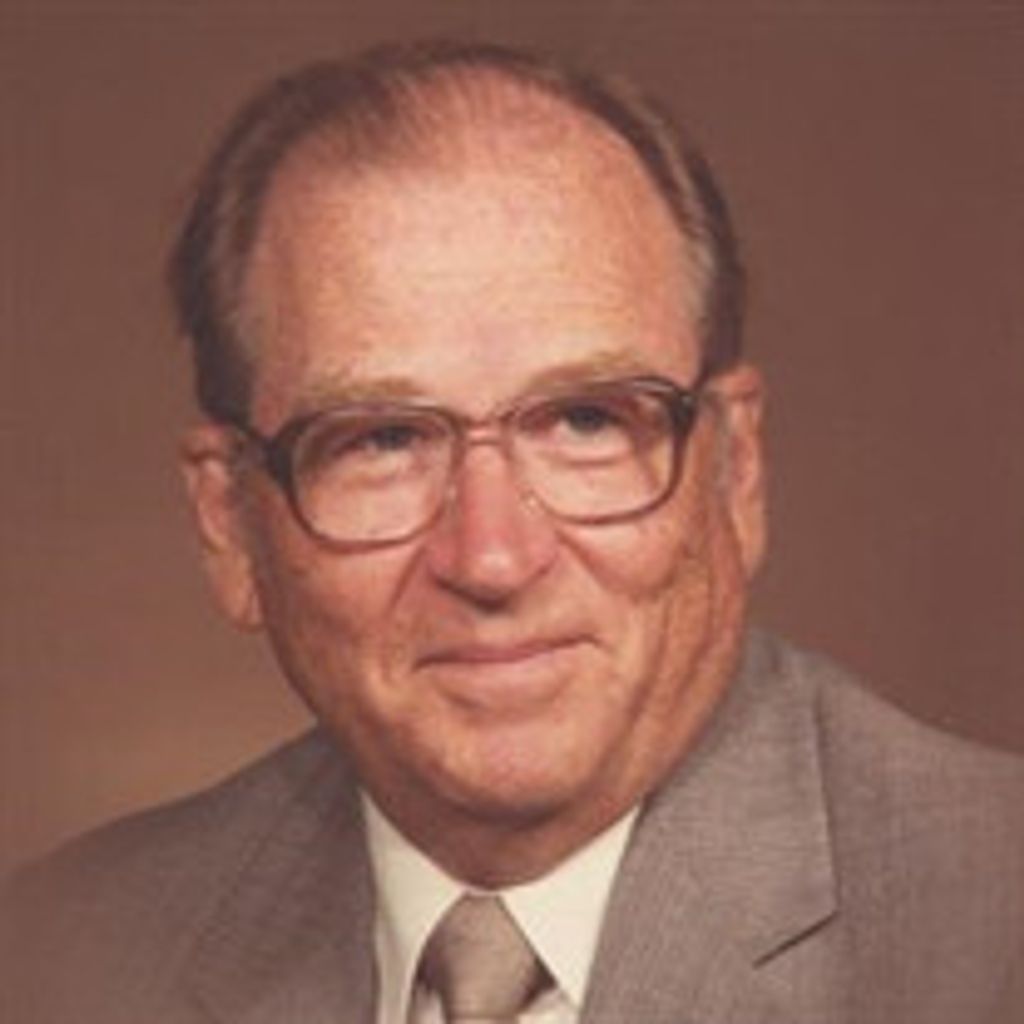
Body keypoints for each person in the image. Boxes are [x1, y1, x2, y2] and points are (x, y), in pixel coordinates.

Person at [3, 39, 1022, 1024]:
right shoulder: (63, 956)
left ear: (736, 470)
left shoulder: (992, 925)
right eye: (383, 439)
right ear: (230, 524)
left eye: (586, 421)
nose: (491, 557)